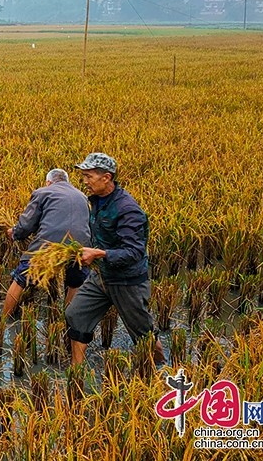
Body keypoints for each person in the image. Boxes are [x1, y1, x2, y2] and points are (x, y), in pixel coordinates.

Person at [65, 152, 165, 367]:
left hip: (127, 281)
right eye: (83, 176)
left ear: (106, 178)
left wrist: (99, 254)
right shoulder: (98, 202)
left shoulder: (128, 209)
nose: (84, 182)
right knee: (75, 314)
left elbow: (134, 252)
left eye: (89, 176)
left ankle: (161, 368)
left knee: (143, 334)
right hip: (101, 276)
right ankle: (76, 370)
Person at [2, 168, 91, 319]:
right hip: (79, 247)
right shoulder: (82, 196)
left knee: (21, 277)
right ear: (67, 181)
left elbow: (27, 225)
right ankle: (67, 322)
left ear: (48, 182)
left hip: (49, 243)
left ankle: (2, 320)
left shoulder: (42, 192)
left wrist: (15, 233)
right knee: (75, 282)